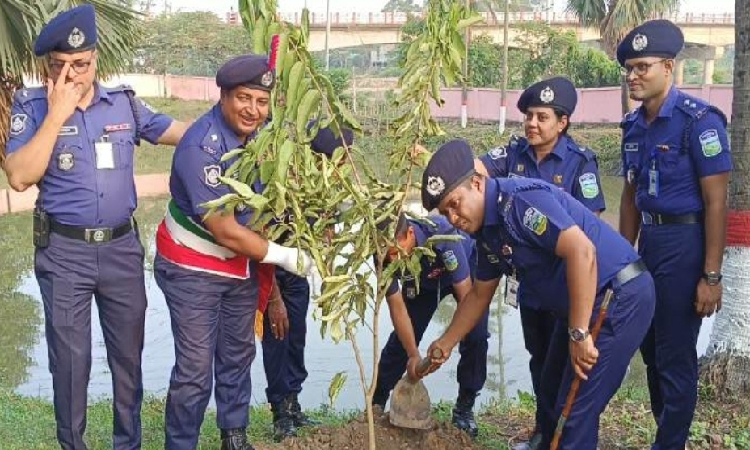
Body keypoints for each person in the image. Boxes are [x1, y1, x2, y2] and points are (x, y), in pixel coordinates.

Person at [2, 5, 187, 449]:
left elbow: (182, 132)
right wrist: (56, 114)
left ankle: (129, 444)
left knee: (128, 361)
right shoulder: (32, 107)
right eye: (60, 67)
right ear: (48, 67)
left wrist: (240, 130)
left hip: (122, 252)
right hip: (64, 255)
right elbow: (19, 175)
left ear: (96, 59)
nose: (71, 76)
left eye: (80, 65)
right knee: (70, 364)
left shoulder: (123, 103)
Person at [419, 140, 656, 449]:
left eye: (454, 203)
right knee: (550, 399)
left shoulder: (518, 202)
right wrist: (445, 344)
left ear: (477, 184)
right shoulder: (487, 232)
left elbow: (582, 252)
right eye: (444, 211)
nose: (452, 217)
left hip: (615, 297)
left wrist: (580, 332)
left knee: (574, 414)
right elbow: (479, 295)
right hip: (580, 304)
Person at [153, 54, 314, 450]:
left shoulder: (263, 139)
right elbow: (225, 230)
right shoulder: (201, 146)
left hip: (239, 267)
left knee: (237, 355)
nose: (253, 110)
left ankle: (234, 436)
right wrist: (285, 256)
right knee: (194, 370)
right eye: (244, 98)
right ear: (223, 95)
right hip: (192, 266)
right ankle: (181, 444)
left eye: (261, 102)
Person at [617, 19, 732, 450]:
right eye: (629, 68)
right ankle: (669, 432)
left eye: (643, 66)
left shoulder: (698, 123)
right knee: (648, 348)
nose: (633, 75)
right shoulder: (632, 127)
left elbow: (717, 202)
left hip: (686, 247)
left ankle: (670, 444)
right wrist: (621, 260)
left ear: (669, 67)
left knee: (675, 355)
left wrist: (712, 276)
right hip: (648, 244)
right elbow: (629, 198)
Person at [475, 76, 605, 450]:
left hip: (568, 284)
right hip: (530, 285)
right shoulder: (513, 156)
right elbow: (475, 173)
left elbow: (591, 227)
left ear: (562, 122)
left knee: (565, 364)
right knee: (538, 358)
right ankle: (542, 431)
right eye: (529, 116)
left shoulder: (580, 163)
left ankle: (565, 435)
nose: (532, 124)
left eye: (542, 117)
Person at [262, 124, 354, 441]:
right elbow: (262, 241)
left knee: (296, 338)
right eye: (342, 158)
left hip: (299, 274)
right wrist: (272, 299)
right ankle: (279, 414)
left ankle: (293, 403)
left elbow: (326, 234)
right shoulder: (283, 183)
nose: (345, 165)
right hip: (272, 276)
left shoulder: (325, 188)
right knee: (277, 339)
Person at [371, 211, 488, 439]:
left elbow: (467, 298)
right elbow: (397, 306)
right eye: (387, 256)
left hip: (462, 273)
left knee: (476, 334)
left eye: (396, 252)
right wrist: (414, 355)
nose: (393, 261)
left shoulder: (442, 236)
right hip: (422, 281)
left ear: (411, 234)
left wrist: (446, 343)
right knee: (402, 340)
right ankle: (377, 401)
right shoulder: (383, 255)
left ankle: (465, 407)